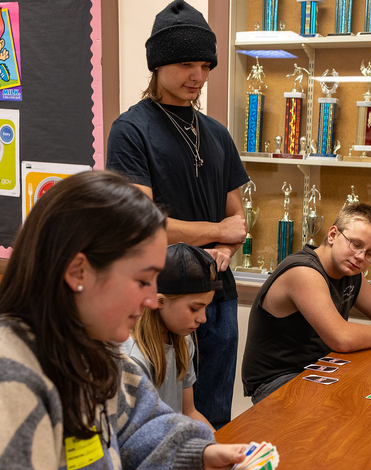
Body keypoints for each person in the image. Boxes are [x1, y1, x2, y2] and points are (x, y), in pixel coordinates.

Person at [0, 171, 268, 470]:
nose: (150, 300)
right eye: (143, 280)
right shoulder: (13, 380)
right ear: (78, 272)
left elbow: (139, 425)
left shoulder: (98, 353)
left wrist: (202, 455)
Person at [106, 0, 250, 429]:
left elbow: (237, 218)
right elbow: (142, 224)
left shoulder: (218, 134)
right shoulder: (131, 130)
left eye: (206, 65)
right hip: (158, 302)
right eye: (187, 63)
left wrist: (225, 243)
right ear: (158, 63)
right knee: (158, 424)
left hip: (216, 297)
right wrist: (216, 232)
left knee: (214, 417)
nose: (198, 76)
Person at [242, 204, 371, 403]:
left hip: (321, 370)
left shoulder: (350, 271)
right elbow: (341, 338)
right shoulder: (304, 271)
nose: (361, 256)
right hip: (277, 381)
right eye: (355, 244)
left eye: (370, 253)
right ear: (333, 235)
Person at [123, 243, 220, 432]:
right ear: (160, 301)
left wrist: (222, 446)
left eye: (205, 308)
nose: (203, 318)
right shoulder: (133, 358)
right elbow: (143, 435)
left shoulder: (184, 340)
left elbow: (189, 412)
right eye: (194, 308)